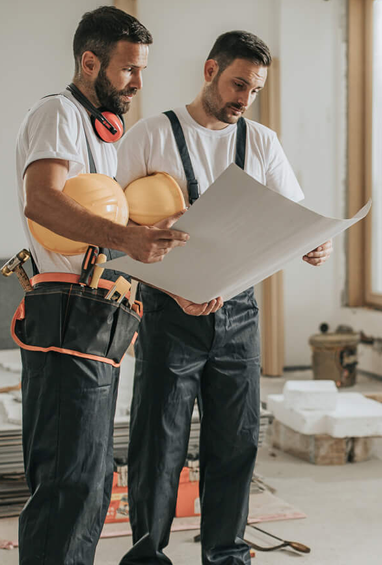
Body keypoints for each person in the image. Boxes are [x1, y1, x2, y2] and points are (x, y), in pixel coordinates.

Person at [116, 30, 333, 565]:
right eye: (238, 84)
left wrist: (314, 242)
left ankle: (227, 554)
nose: (244, 98)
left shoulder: (261, 142)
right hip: (169, 312)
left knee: (236, 442)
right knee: (158, 445)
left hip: (238, 315)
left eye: (254, 90)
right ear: (210, 70)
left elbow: (292, 219)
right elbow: (117, 231)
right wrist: (177, 286)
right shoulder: (150, 135)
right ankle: (148, 555)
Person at [12, 7, 188, 565]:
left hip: (97, 313)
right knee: (68, 481)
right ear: (90, 62)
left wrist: (164, 267)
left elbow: (108, 230)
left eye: (141, 71)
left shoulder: (102, 136)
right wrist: (127, 238)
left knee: (89, 479)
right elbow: (42, 201)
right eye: (128, 70)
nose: (138, 83)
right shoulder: (57, 113)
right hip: (66, 308)